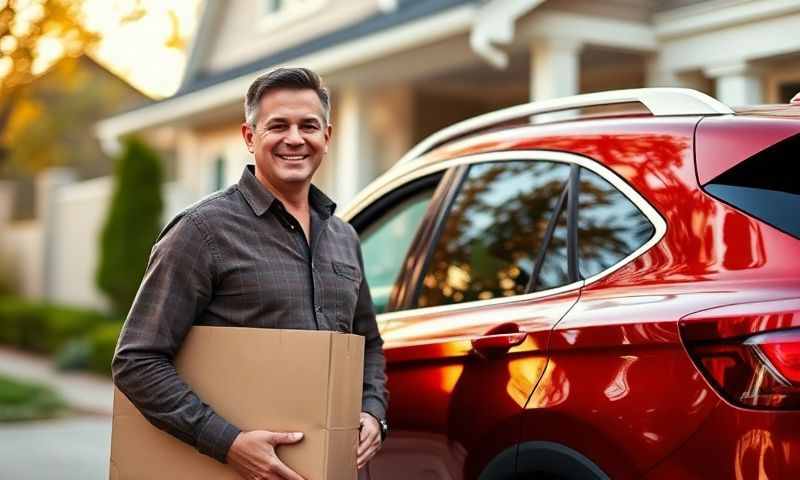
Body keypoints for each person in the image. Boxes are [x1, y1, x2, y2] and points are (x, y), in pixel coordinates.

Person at [112, 67, 388, 480]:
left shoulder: (344, 237)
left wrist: (373, 411)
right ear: (249, 137)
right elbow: (136, 361)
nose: (295, 138)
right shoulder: (202, 232)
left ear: (326, 137)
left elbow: (368, 343)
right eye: (278, 125)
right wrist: (227, 443)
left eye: (308, 126)